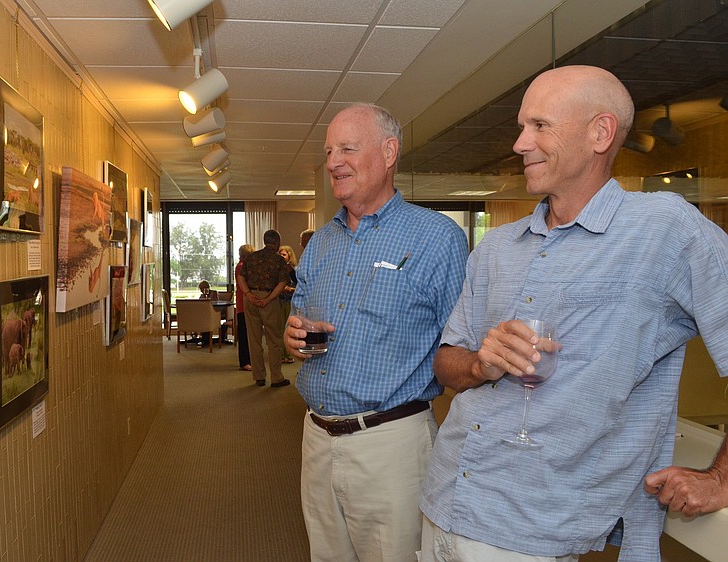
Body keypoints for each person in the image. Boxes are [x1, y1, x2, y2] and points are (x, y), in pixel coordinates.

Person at [419, 65, 728, 562]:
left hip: (534, 530)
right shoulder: (496, 247)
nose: (520, 143)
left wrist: (720, 479)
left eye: (540, 125)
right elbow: (445, 362)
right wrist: (479, 364)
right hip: (444, 500)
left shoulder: (664, 229)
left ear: (600, 133)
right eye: (522, 127)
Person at [283, 103, 468, 562]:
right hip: (316, 437)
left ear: (388, 153)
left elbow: (462, 344)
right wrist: (293, 336)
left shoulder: (436, 237)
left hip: (392, 444)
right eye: (329, 151)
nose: (333, 162)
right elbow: (300, 317)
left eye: (347, 149)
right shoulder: (320, 242)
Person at [237, 230, 291, 388]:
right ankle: (276, 377)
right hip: (269, 298)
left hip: (251, 299)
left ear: (264, 241)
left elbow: (241, 277)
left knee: (254, 339)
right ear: (277, 242)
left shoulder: (251, 257)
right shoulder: (278, 260)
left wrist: (248, 294)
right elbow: (282, 283)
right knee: (274, 340)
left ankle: (259, 377)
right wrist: (268, 299)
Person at [235, 245, 254, 371]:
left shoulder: (243, 266)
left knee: (247, 333)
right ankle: (244, 361)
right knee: (244, 333)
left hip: (245, 302)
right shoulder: (242, 266)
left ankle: (248, 359)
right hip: (243, 303)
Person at [277, 245, 298, 364]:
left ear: (289, 256)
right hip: (279, 300)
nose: (282, 256)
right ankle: (281, 354)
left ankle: (289, 354)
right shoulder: (277, 268)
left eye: (284, 254)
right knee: (280, 328)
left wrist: (290, 289)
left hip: (290, 301)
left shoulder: (292, 269)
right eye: (280, 254)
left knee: (289, 328)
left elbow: (299, 285)